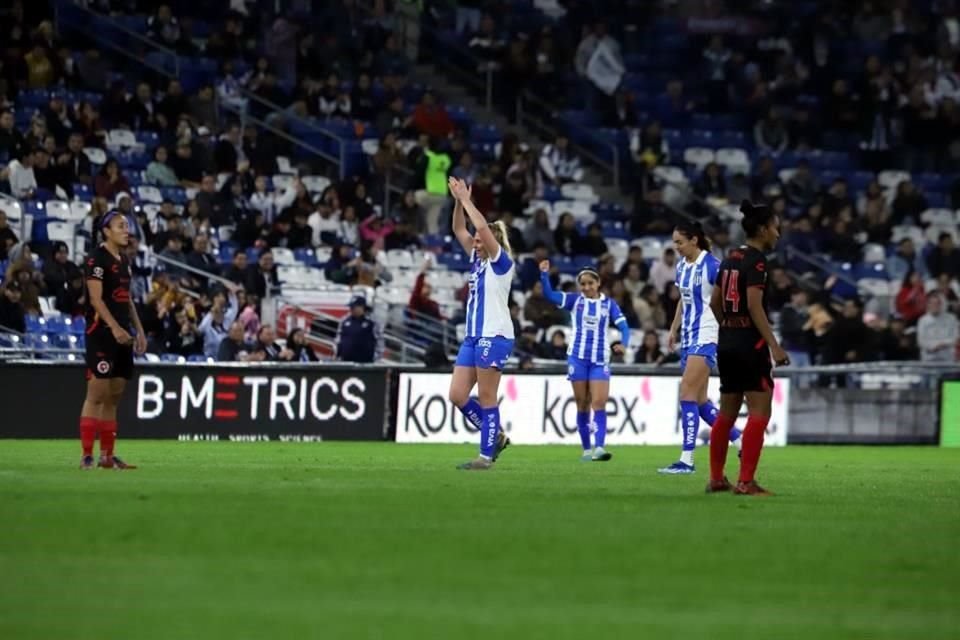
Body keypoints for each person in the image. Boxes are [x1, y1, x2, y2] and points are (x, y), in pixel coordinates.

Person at [707, 200, 789, 496]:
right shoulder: (757, 261)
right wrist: (774, 346)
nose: (778, 234)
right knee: (759, 411)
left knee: (726, 412)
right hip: (749, 344)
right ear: (763, 229)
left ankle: (716, 478)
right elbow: (755, 305)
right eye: (775, 228)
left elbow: (715, 302)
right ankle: (746, 481)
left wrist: (729, 327)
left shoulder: (729, 258)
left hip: (727, 342)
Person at [659, 222, 741, 475]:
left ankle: (687, 460)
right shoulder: (682, 265)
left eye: (680, 242)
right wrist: (674, 329)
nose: (676, 247)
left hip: (707, 334)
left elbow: (731, 297)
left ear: (694, 240)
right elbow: (684, 302)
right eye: (674, 243)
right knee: (702, 402)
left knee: (686, 393)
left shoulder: (712, 266)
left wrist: (731, 330)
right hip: (689, 335)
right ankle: (741, 441)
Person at [446, 177, 514, 470]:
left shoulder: (502, 263)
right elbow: (458, 228)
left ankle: (485, 457)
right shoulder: (478, 261)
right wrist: (458, 202)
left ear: (492, 242)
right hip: (473, 337)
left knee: (487, 396)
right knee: (457, 395)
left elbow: (481, 228)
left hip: (494, 335)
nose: (473, 241)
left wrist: (468, 200)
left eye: (478, 240)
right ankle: (494, 436)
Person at [538, 261, 629, 461]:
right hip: (577, 359)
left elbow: (624, 327)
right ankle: (586, 449)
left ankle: (599, 447)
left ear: (598, 283)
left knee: (598, 402)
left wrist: (624, 343)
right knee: (582, 403)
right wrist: (544, 275)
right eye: (583, 284)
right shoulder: (574, 301)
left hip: (599, 360)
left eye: (590, 283)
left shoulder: (609, 304)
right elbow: (550, 295)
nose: (586, 288)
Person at [79, 210, 147, 470]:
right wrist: (115, 328)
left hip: (123, 335)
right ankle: (87, 454)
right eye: (121, 226)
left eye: (127, 226)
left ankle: (108, 455)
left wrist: (138, 329)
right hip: (101, 333)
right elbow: (96, 299)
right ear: (106, 231)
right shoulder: (96, 259)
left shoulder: (124, 260)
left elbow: (126, 299)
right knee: (97, 393)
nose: (126, 230)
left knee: (115, 396)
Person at [336, 297, 381, 363]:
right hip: (345, 361)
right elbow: (338, 338)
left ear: (362, 307)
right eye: (350, 307)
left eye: (353, 307)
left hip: (365, 362)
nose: (351, 309)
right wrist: (337, 353)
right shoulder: (344, 320)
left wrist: (375, 357)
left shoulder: (372, 322)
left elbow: (379, 341)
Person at [917, 294, 959, 363]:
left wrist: (942, 344)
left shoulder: (951, 318)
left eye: (937, 303)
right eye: (932, 303)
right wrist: (933, 346)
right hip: (929, 357)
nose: (935, 306)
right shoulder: (922, 320)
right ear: (928, 305)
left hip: (947, 357)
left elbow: (955, 337)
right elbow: (920, 341)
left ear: (941, 305)